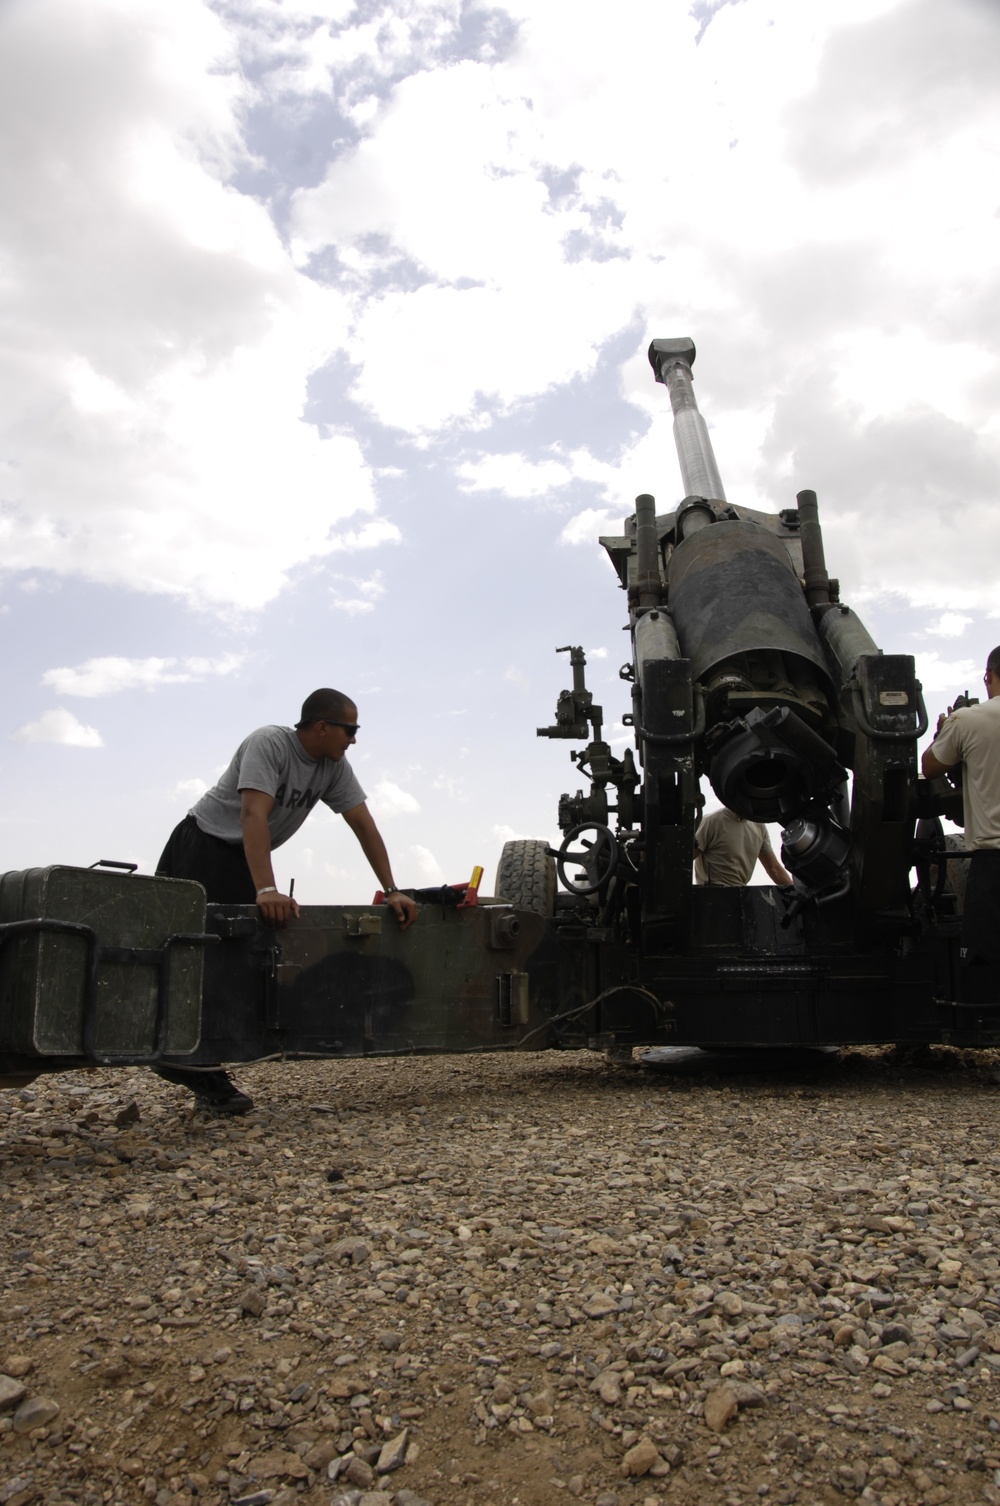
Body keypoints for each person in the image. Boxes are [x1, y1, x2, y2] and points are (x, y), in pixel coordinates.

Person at [154, 687, 418, 1113]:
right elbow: (251, 815)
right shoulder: (269, 744)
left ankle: (201, 1069)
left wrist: (392, 890)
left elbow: (364, 825)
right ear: (322, 727)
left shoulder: (334, 767)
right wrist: (265, 890)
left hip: (243, 857)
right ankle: (186, 1063)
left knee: (240, 960)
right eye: (350, 730)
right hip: (203, 845)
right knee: (193, 958)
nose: (353, 739)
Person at [921, 647, 1000, 964]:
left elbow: (930, 767)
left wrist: (943, 733)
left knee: (988, 974)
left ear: (989, 676)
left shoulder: (967, 720)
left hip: (993, 865)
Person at [693, 806, 793, 887]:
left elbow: (774, 869)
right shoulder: (710, 821)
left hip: (742, 894)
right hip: (712, 894)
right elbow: (685, 858)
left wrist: (796, 893)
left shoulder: (759, 826)